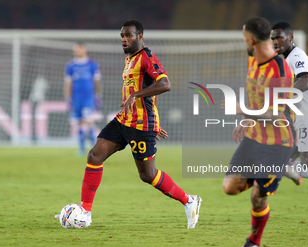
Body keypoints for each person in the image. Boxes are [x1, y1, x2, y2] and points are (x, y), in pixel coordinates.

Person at [58, 19, 202, 229]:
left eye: (129, 36)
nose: (124, 39)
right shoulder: (130, 58)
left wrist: (140, 101)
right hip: (123, 120)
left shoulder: (147, 57)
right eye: (122, 36)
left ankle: (189, 201)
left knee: (147, 174)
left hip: (141, 126)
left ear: (140, 37)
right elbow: (153, 88)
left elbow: (165, 84)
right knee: (94, 155)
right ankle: (86, 212)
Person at [222, 17, 295, 247]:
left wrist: (241, 109)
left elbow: (278, 116)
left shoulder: (281, 70)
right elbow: (255, 95)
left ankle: (253, 243)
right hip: (254, 137)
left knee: (258, 197)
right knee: (230, 186)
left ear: (251, 39)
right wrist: (245, 120)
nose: (244, 42)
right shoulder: (252, 60)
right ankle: (281, 169)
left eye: (244, 38)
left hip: (277, 143)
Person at [271, 22, 308, 221]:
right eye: (273, 38)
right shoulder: (292, 58)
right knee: (285, 161)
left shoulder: (296, 56)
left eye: (279, 37)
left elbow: (305, 82)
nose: (275, 42)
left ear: (291, 37)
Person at [64, 42, 102, 156]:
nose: (78, 51)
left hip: (88, 97)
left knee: (88, 121)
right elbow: (68, 83)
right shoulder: (70, 66)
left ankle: (94, 148)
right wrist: (67, 98)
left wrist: (98, 96)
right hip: (76, 98)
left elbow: (97, 81)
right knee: (79, 122)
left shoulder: (92, 65)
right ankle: (81, 149)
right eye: (76, 50)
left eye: (80, 49)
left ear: (84, 50)